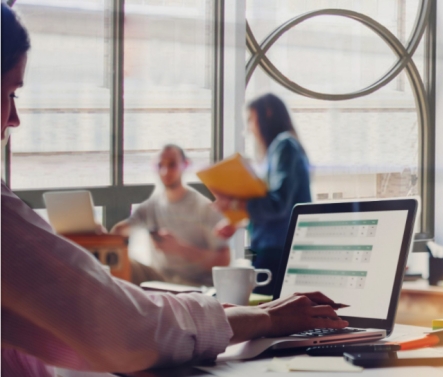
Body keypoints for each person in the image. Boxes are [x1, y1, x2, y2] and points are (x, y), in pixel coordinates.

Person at [1, 5, 348, 376]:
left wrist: (225, 223)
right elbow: (126, 322)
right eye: (11, 93)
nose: (14, 118)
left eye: (15, 96)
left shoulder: (247, 172)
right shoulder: (155, 204)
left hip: (243, 269)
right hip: (180, 299)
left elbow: (224, 251)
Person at [214, 94, 311, 295]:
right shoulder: (279, 149)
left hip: (279, 249)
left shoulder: (284, 146)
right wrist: (239, 221)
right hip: (274, 247)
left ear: (267, 113)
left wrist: (236, 205)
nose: (249, 128)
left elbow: (278, 204)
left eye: (250, 119)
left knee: (270, 311)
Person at [111, 144, 229, 286]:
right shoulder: (151, 205)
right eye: (160, 165)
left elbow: (224, 260)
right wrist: (100, 234)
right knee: (123, 263)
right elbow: (121, 230)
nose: (165, 171)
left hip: (194, 284)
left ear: (185, 165)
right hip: (158, 279)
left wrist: (179, 248)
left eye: (172, 165)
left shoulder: (205, 208)